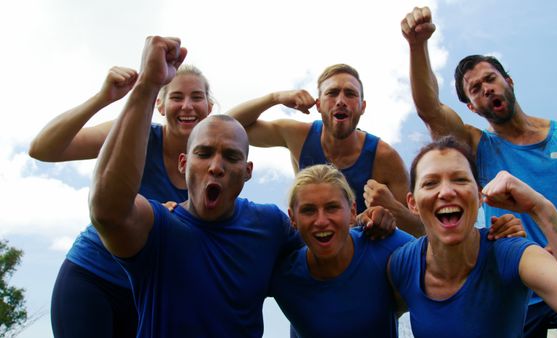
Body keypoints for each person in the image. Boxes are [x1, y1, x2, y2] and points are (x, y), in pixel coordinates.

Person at [401, 6, 557, 336]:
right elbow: (430, 110)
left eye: (490, 79)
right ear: (471, 107)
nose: (486, 89)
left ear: (508, 80)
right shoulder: (479, 146)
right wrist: (417, 45)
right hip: (514, 288)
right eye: (475, 89)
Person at [89, 36, 301, 337]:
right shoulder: (158, 228)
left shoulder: (270, 225)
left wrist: (375, 223)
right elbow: (108, 212)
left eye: (231, 156)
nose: (216, 166)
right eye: (203, 154)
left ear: (247, 172)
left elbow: (329, 257)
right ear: (183, 164)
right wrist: (147, 85)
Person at [29, 62, 214, 336]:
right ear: (160, 106)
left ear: (209, 107)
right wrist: (102, 97)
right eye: (176, 97)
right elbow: (42, 149)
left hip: (146, 298)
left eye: (196, 97)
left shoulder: (214, 164)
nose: (187, 105)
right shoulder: (134, 133)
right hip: (91, 279)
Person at [387, 136, 557, 337]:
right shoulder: (402, 264)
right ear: (412, 203)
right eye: (430, 183)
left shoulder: (511, 253)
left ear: (480, 196)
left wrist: (540, 208)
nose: (447, 192)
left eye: (460, 179)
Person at [226, 65, 424, 236]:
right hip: (311, 242)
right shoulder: (298, 136)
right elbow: (227, 126)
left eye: (350, 94)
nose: (340, 101)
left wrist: (393, 209)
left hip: (359, 253)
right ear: (318, 105)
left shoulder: (384, 158)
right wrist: (275, 97)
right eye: (332, 93)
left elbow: (421, 231)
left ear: (362, 107)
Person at [269, 164, 413, 338]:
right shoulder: (283, 276)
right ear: (292, 219)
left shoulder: (385, 245)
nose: (321, 221)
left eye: (332, 207)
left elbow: (443, 261)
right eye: (308, 210)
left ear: (352, 212)